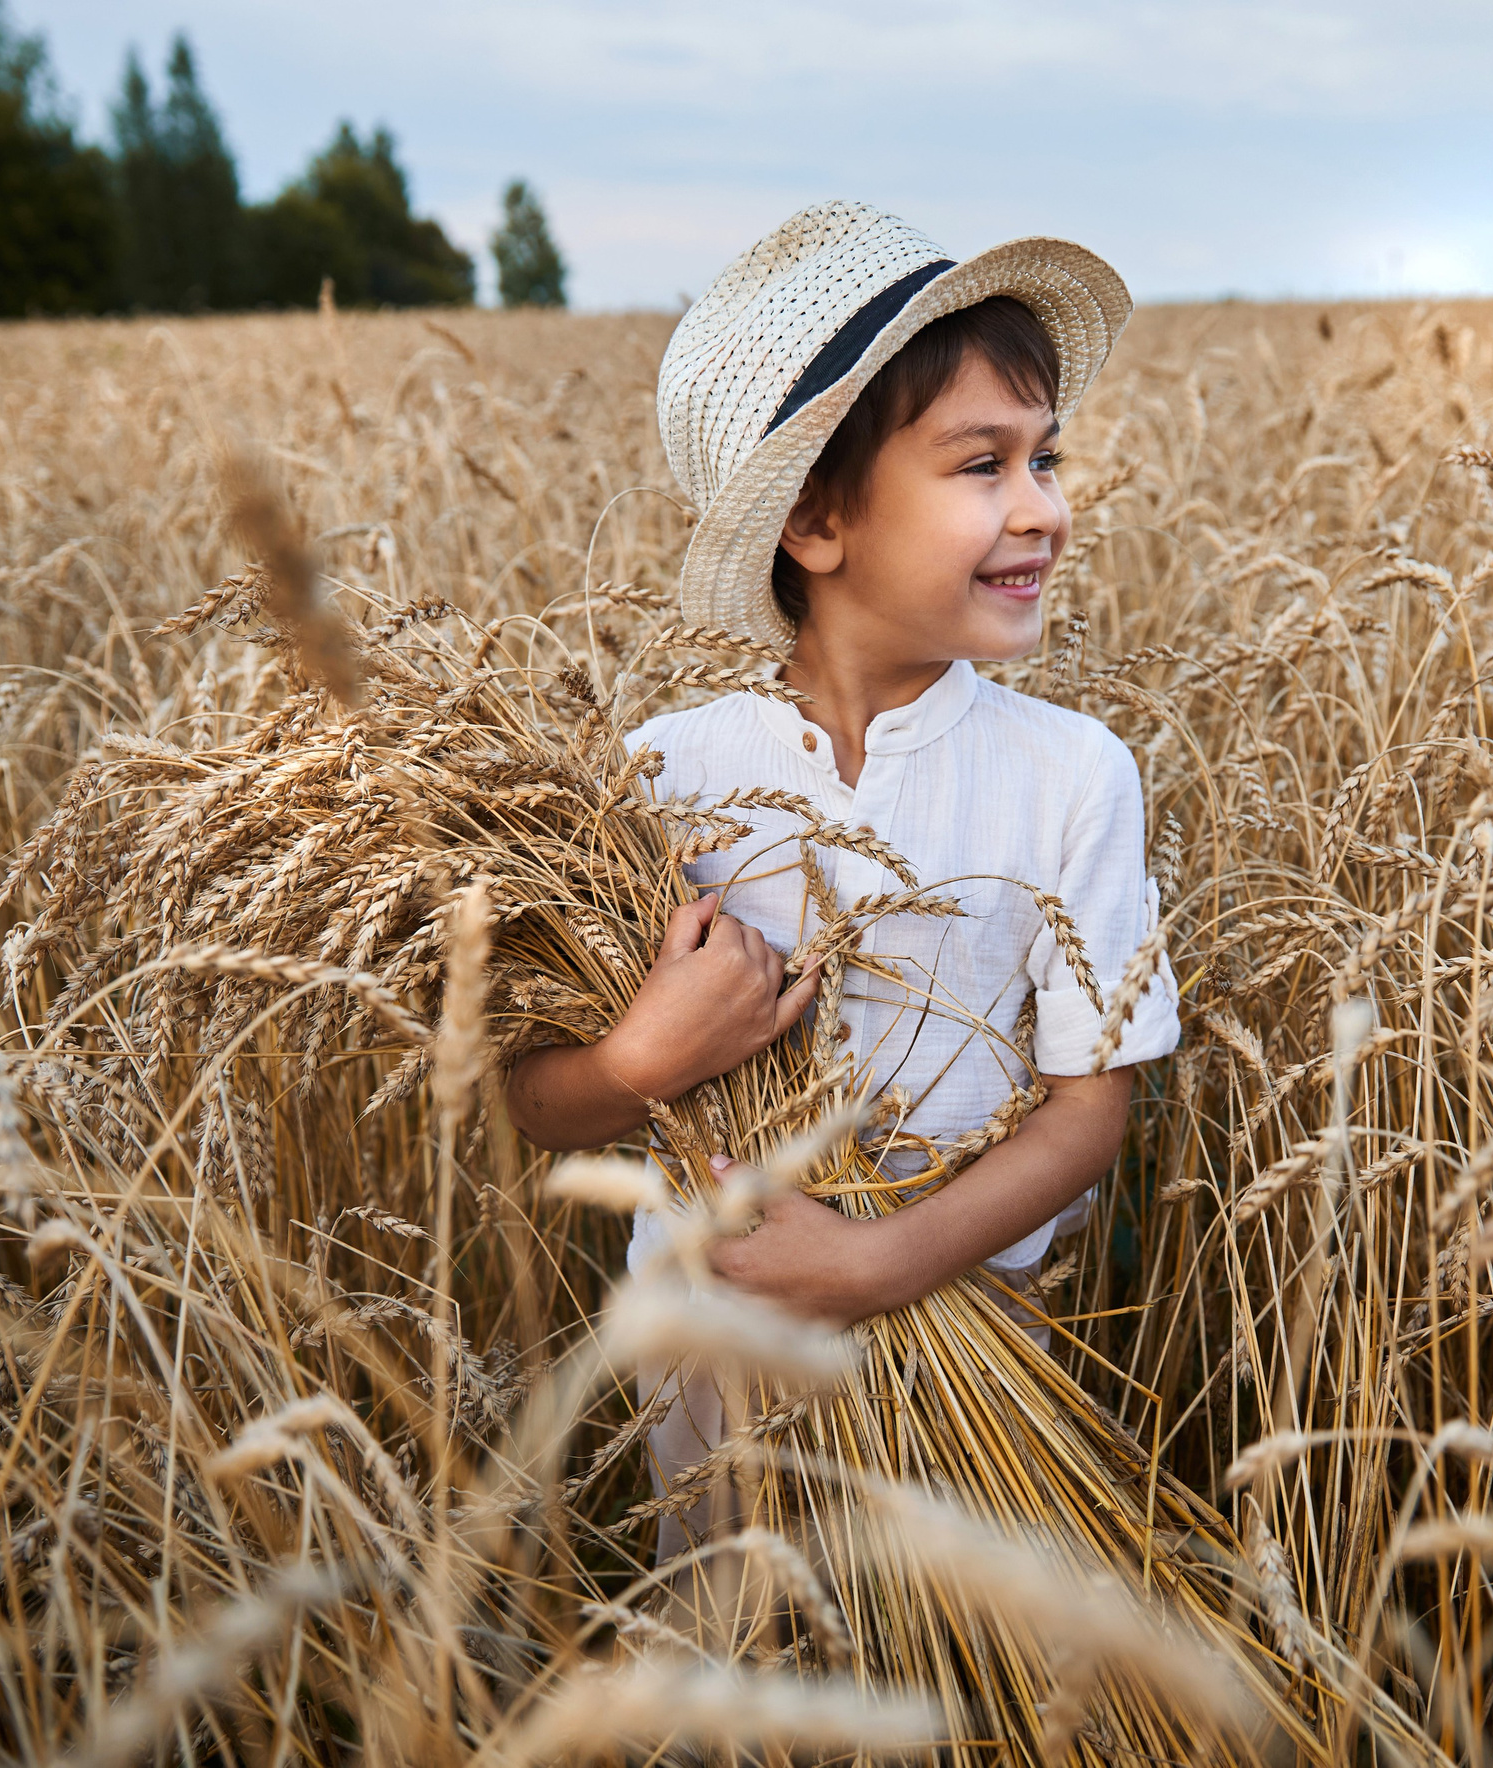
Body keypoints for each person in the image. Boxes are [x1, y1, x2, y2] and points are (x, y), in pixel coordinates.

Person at [502, 199, 1179, 1562]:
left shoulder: (1071, 773)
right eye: (981, 465)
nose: (1044, 507)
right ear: (816, 520)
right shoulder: (660, 779)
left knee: (955, 1675)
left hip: (982, 1347)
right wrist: (645, 1055)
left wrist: (877, 1264)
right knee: (745, 1660)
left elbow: (1092, 1111)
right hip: (712, 1362)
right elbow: (536, 1101)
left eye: (1046, 458)